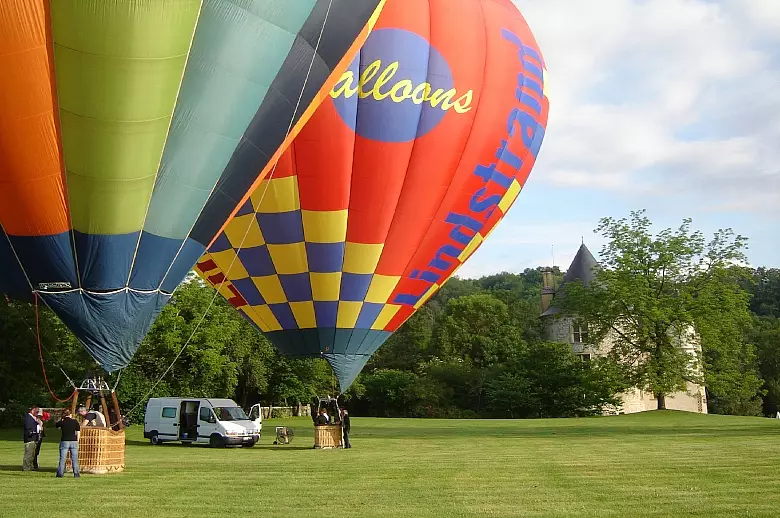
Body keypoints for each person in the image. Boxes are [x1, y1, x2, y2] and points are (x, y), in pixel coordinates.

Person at [55, 408, 80, 478]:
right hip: (74, 441)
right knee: (74, 458)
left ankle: (60, 473)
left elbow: (57, 426)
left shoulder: (62, 422)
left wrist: (61, 419)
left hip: (65, 441)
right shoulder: (74, 421)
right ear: (70, 414)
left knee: (62, 458)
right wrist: (77, 440)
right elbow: (78, 431)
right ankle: (76, 473)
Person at [22, 406, 41, 471]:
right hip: (29, 438)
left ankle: (29, 466)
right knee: (28, 454)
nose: (37, 413)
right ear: (32, 410)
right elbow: (28, 427)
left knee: (32, 454)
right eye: (36, 411)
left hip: (33, 438)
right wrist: (32, 432)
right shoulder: (28, 418)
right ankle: (26, 467)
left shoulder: (32, 418)